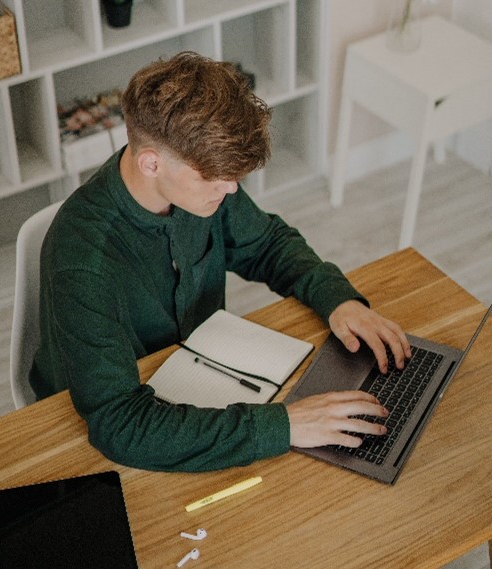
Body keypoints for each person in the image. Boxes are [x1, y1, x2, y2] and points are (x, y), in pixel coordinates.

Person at [30, 52, 411, 472]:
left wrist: (338, 300)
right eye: (214, 177)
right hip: (101, 425)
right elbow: (120, 425)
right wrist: (284, 426)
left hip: (198, 374)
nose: (230, 189)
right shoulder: (83, 259)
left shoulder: (197, 184)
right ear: (151, 163)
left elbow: (266, 243)